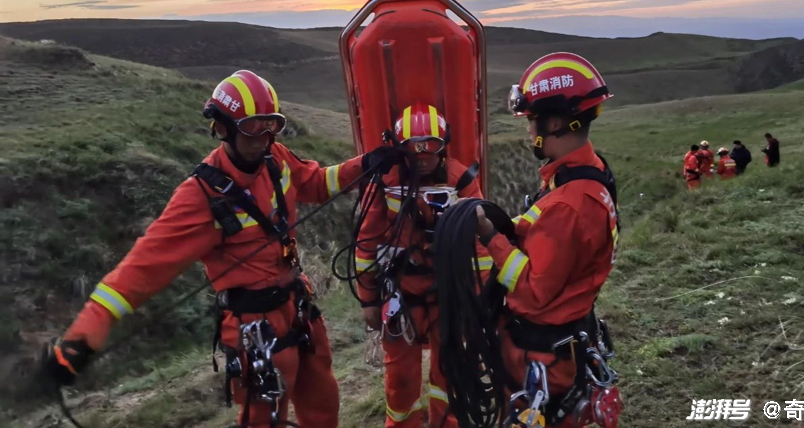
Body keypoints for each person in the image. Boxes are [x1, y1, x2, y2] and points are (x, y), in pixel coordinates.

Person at [44, 70, 400, 428]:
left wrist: (366, 164)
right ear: (223, 127)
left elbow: (314, 182)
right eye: (252, 127)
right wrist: (83, 337)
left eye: (271, 125)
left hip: (298, 309)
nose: (264, 138)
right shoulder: (199, 197)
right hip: (255, 331)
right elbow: (140, 269)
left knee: (323, 406)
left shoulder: (275, 159)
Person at [476, 52, 620, 427]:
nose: (528, 129)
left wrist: (491, 238)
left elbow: (533, 291)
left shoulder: (570, 205)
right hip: (562, 342)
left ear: (555, 123)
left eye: (532, 119)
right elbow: (544, 235)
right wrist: (508, 227)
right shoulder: (584, 175)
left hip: (541, 356)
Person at [354, 104, 484, 428]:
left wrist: (480, 297)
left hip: (450, 295)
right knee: (399, 381)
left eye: (432, 146)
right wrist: (369, 300)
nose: (423, 156)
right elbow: (366, 242)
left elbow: (479, 243)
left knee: (450, 375)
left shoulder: (462, 180)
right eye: (414, 148)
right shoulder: (385, 181)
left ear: (444, 145)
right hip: (400, 294)